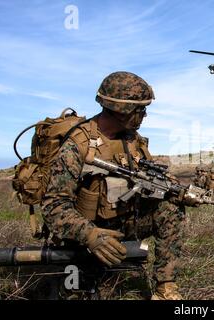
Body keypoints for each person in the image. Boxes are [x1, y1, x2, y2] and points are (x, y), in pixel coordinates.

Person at [41, 71, 184, 300]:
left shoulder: (133, 140)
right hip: (85, 233)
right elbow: (53, 206)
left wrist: (175, 190)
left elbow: (145, 175)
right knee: (74, 292)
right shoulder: (77, 145)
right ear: (121, 110)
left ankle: (165, 288)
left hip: (124, 222)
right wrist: (90, 235)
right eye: (140, 109)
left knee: (170, 209)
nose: (144, 115)